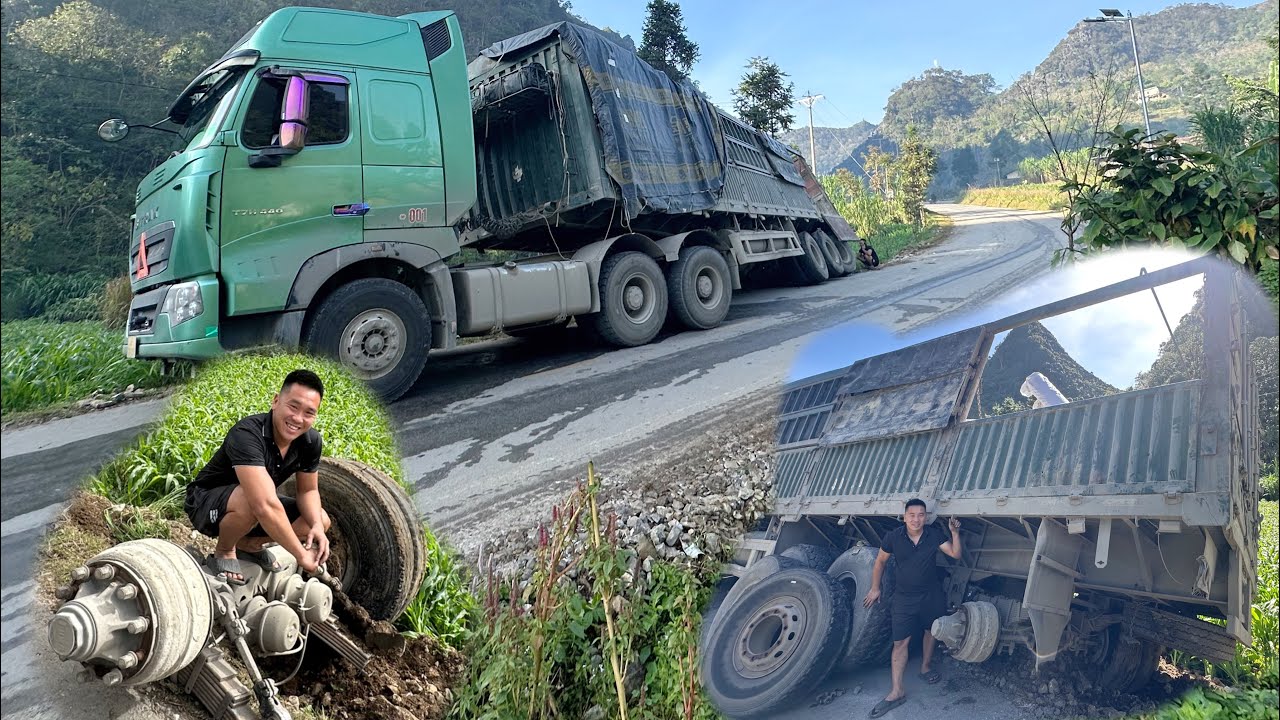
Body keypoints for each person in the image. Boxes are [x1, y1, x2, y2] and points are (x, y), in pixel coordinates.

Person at [184, 369, 332, 584]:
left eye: (309, 413)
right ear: (275, 401)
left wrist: (317, 526)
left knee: (319, 518)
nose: (298, 419)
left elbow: (307, 490)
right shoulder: (247, 434)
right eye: (293, 406)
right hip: (206, 502)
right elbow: (264, 504)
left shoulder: (310, 442)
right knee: (252, 499)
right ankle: (224, 550)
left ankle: (249, 544)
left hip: (252, 504)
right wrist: (301, 554)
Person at [862, 498, 962, 718]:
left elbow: (955, 554)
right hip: (904, 597)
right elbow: (880, 562)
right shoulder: (893, 538)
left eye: (921, 515)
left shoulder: (933, 535)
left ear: (925, 517)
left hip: (931, 595)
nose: (916, 519)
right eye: (912, 515)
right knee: (900, 642)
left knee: (931, 630)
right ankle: (897, 690)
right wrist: (875, 588)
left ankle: (925, 667)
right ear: (904, 516)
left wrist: (954, 532)